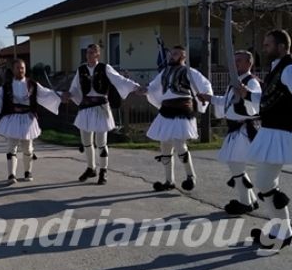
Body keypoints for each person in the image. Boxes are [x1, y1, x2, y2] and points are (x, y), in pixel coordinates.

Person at [237, 29, 292, 255]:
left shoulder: (291, 68)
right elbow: (269, 100)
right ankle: (279, 231)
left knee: (265, 184)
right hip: (272, 131)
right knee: (265, 182)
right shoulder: (278, 69)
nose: (264, 49)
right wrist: (247, 95)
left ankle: (283, 233)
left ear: (282, 46)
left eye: (268, 45)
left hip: (281, 133)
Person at [62, 44, 144, 185]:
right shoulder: (81, 70)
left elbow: (119, 80)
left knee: (101, 142)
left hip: (101, 108)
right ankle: (91, 168)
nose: (89, 55)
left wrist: (135, 87)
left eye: (92, 52)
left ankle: (103, 170)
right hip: (86, 108)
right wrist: (68, 95)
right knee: (86, 141)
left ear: (97, 55)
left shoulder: (105, 68)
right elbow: (75, 88)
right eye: (87, 52)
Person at [198, 50, 260, 214]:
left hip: (244, 129)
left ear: (249, 63)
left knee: (236, 165)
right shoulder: (234, 82)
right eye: (234, 61)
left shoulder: (251, 82)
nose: (235, 64)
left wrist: (246, 93)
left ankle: (245, 202)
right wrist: (209, 98)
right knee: (236, 166)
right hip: (234, 129)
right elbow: (226, 102)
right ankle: (250, 200)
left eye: (239, 61)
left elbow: (257, 100)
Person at [145, 45, 213, 192]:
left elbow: (205, 85)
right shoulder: (164, 72)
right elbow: (153, 87)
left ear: (183, 57)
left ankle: (191, 176)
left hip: (182, 111)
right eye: (172, 53)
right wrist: (144, 90)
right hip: (166, 110)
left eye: (176, 54)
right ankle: (169, 181)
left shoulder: (190, 72)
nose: (172, 56)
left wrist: (203, 98)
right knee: (165, 146)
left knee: (179, 144)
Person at [0, 58, 61, 184]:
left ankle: (28, 172)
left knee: (28, 148)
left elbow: (47, 94)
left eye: (22, 68)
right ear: (13, 69)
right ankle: (11, 175)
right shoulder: (6, 86)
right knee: (12, 147)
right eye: (18, 68)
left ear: (25, 69)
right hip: (12, 118)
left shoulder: (32, 84)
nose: (20, 70)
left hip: (28, 118)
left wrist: (60, 96)